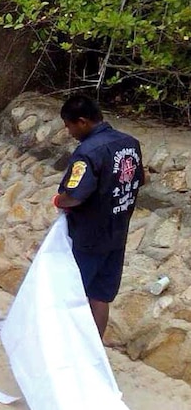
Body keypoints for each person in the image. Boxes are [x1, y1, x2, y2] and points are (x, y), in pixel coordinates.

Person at [53, 95, 145, 339]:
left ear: (82, 122)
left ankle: (69, 349)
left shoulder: (89, 152)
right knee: (100, 296)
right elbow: (139, 180)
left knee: (72, 293)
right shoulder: (130, 144)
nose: (68, 131)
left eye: (69, 125)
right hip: (117, 234)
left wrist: (57, 200)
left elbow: (75, 195)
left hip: (88, 237)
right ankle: (95, 350)